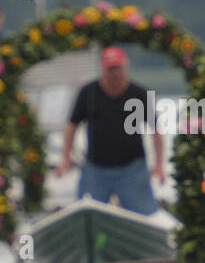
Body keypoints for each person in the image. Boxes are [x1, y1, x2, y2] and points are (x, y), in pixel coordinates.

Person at [54, 46, 164, 215]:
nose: (115, 74)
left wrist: (159, 165)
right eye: (111, 69)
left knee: (146, 215)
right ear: (103, 69)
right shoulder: (88, 92)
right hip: (95, 168)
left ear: (126, 68)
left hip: (132, 169)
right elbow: (71, 126)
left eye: (118, 68)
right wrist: (66, 158)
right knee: (86, 214)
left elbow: (156, 130)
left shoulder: (141, 93)